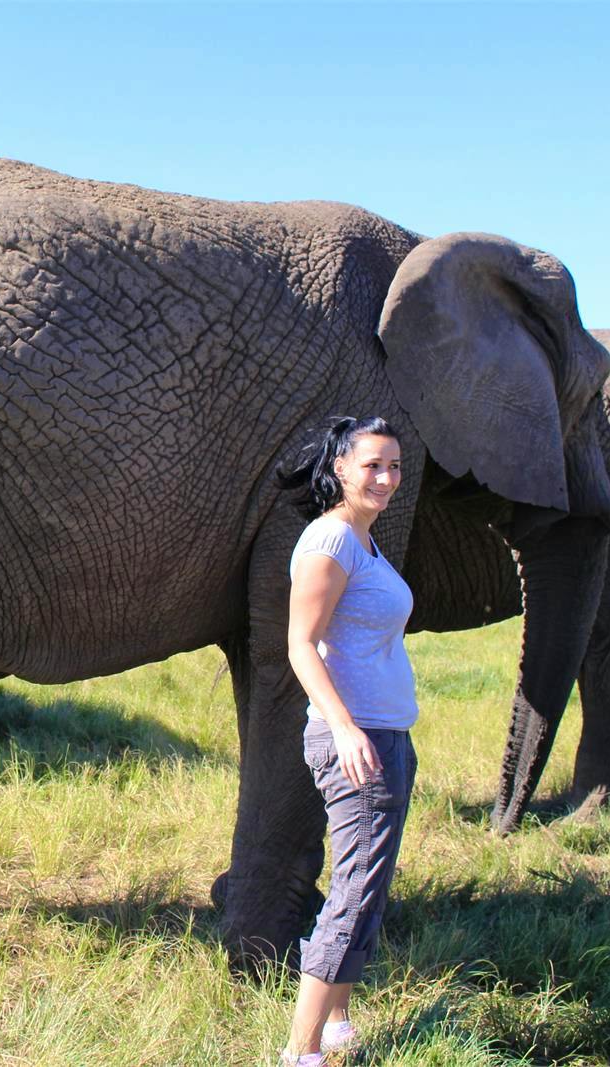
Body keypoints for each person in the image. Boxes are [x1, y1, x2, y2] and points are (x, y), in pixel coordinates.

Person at [276, 416, 418, 1067]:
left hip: (385, 736)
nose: (386, 478)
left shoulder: (365, 539)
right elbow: (300, 643)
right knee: (354, 891)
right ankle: (300, 1052)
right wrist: (343, 725)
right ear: (340, 469)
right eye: (372, 465)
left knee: (368, 888)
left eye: (394, 465)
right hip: (355, 740)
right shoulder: (331, 538)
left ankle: (336, 1021)